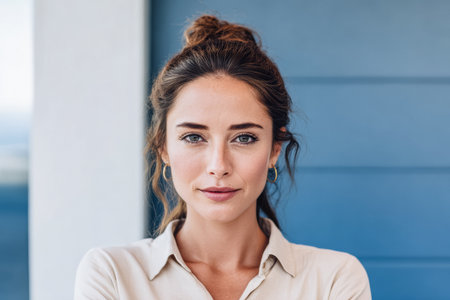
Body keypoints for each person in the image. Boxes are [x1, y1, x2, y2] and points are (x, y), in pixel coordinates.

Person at [74, 15, 371, 300]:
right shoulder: (111, 274)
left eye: (244, 138)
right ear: (163, 146)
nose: (218, 166)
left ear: (274, 149)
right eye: (194, 137)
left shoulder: (334, 279)